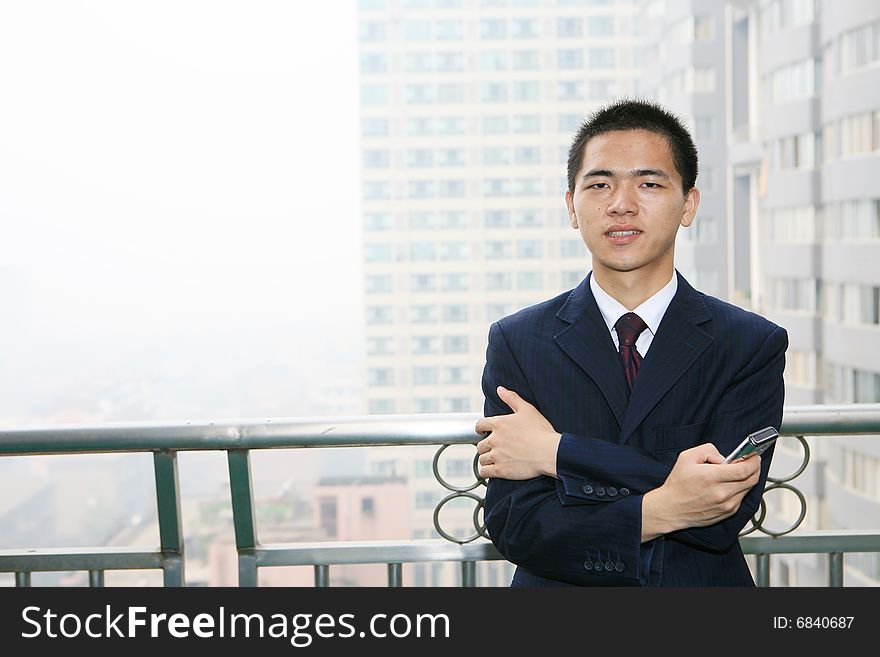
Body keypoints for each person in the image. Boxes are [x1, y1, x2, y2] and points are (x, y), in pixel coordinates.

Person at [474, 99, 788, 587]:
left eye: (649, 183)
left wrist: (556, 453)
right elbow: (516, 524)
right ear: (571, 207)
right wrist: (660, 510)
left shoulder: (748, 343)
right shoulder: (518, 341)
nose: (621, 203)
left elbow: (725, 510)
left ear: (688, 204)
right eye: (599, 184)